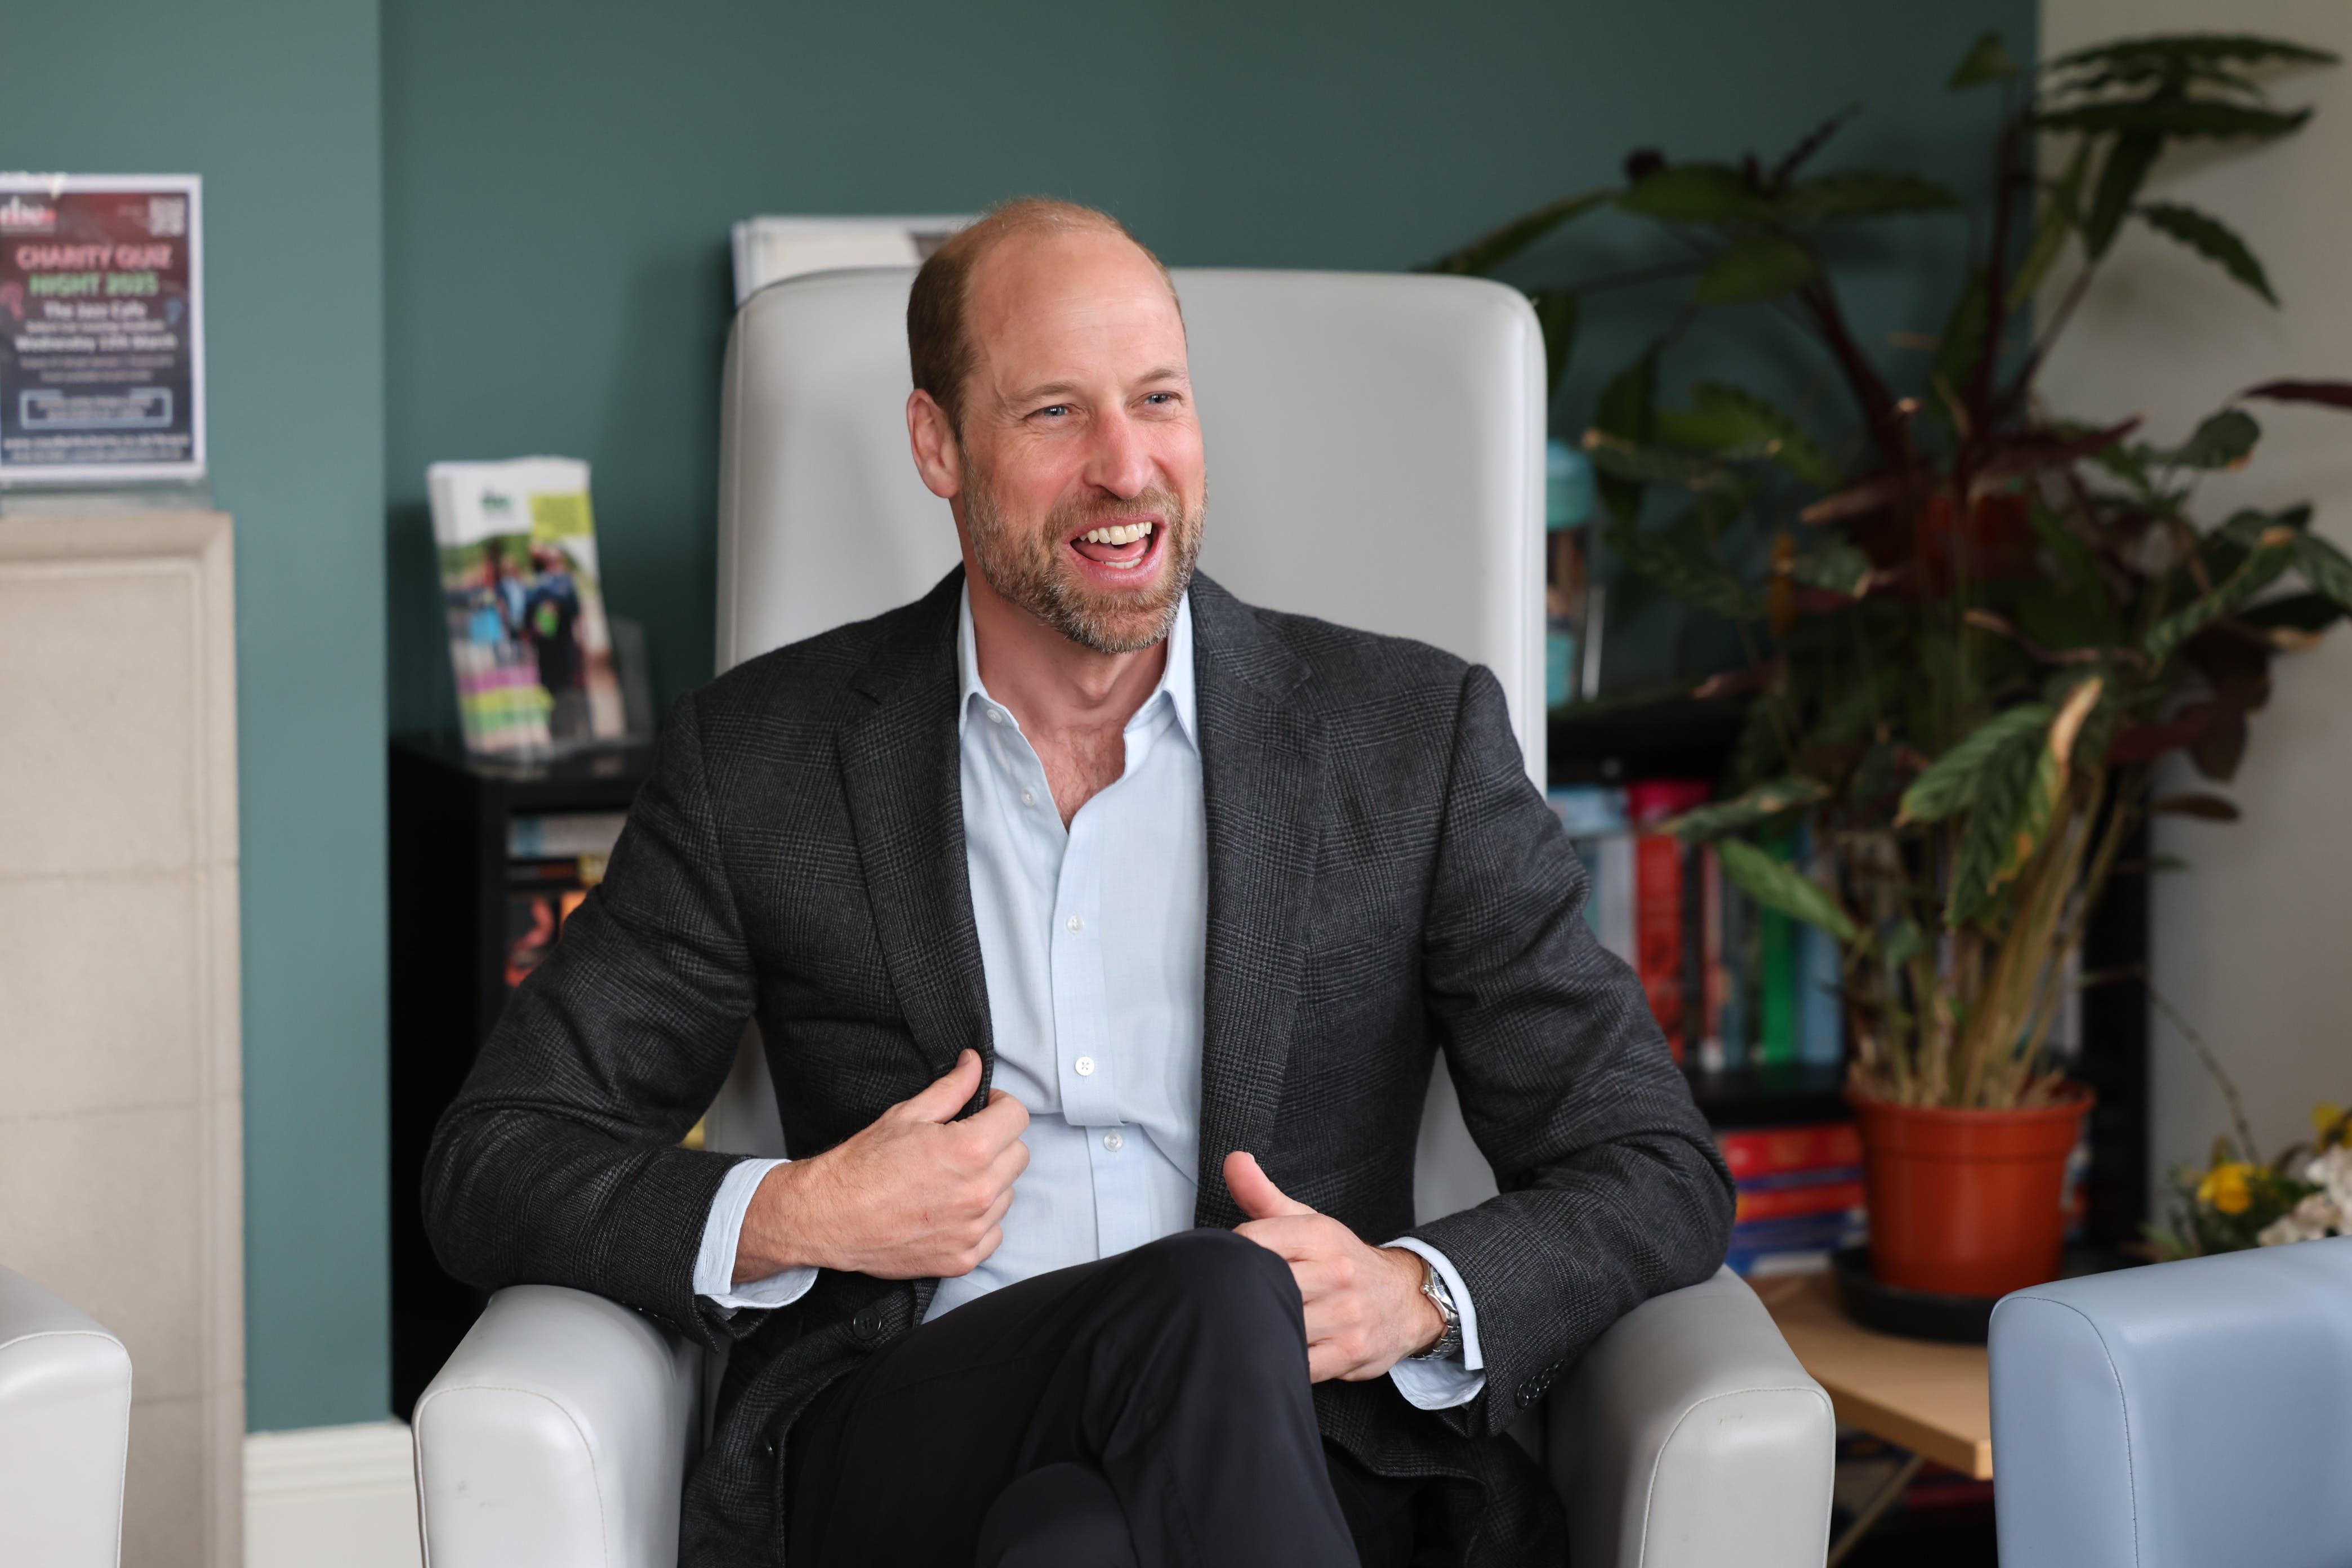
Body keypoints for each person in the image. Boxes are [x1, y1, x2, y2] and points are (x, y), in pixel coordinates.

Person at [424, 198, 1732, 1568]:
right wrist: (800, 1209)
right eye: (1055, 415)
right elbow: (494, 1160)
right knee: (1212, 1301)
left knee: (1083, 1533)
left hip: (1302, 1444)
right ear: (940, 443)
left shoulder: (1408, 742)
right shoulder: (763, 761)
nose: (1127, 467)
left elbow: (1655, 1166)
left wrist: (1412, 1293)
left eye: (1158, 400)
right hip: (908, 1433)